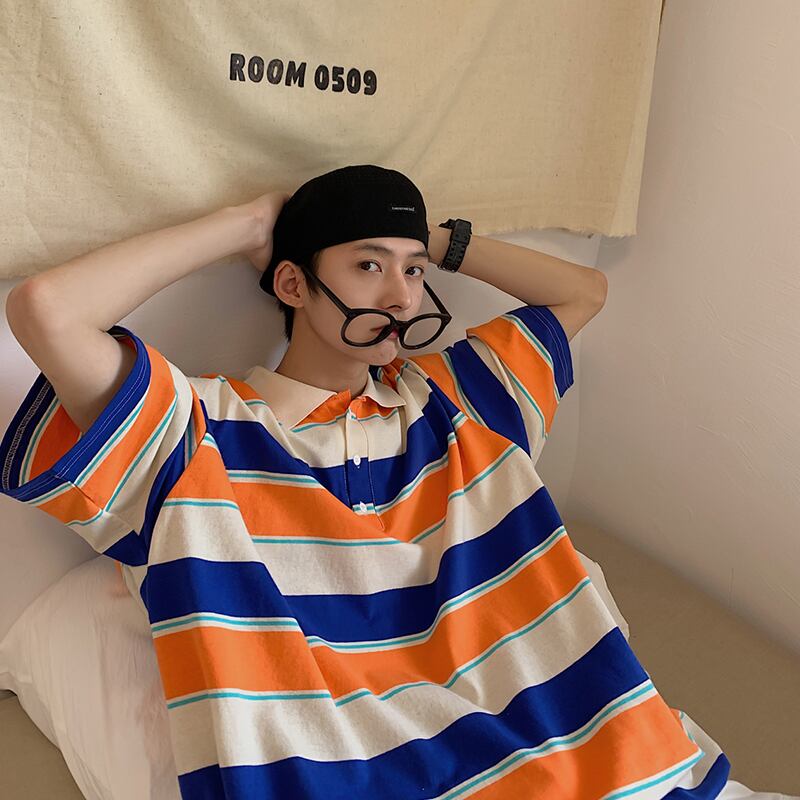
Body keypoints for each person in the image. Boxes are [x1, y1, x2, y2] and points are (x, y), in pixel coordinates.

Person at [3, 164, 783, 799]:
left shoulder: (459, 401)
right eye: (368, 265)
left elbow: (584, 292)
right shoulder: (199, 429)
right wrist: (247, 224)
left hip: (570, 751)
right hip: (340, 771)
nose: (402, 296)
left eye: (413, 272)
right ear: (293, 285)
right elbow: (46, 309)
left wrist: (432, 236)